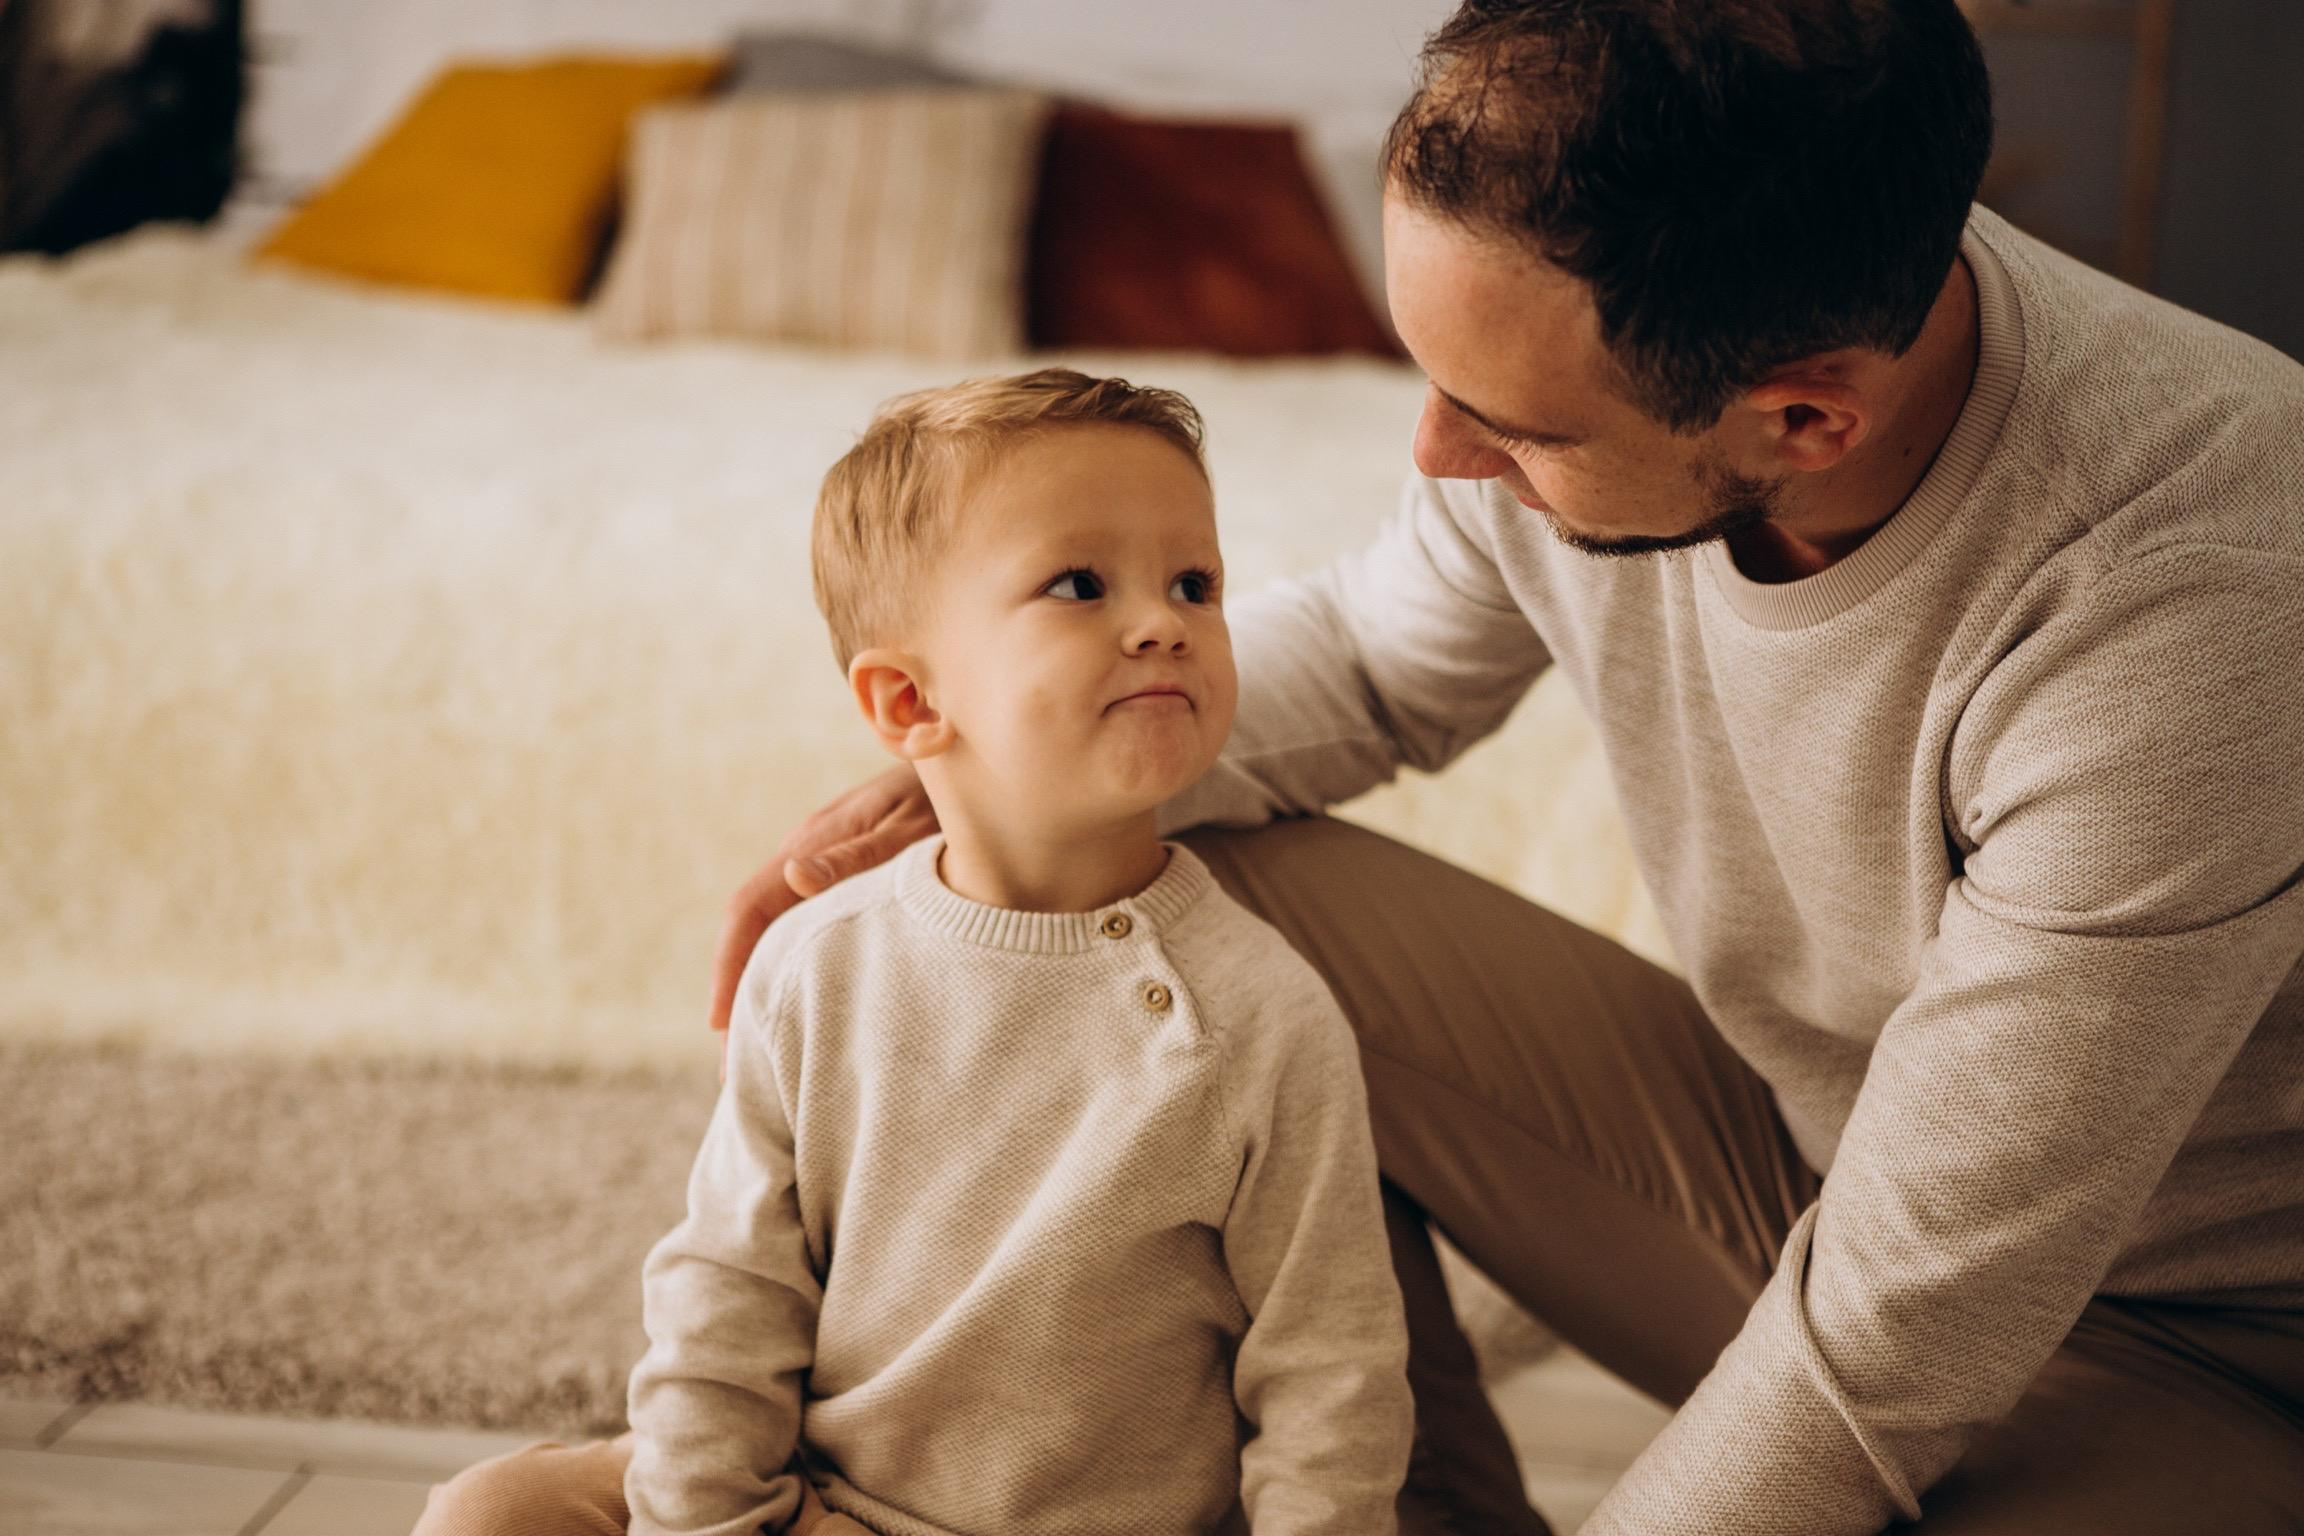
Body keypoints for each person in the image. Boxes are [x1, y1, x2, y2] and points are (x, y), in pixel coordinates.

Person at [715, 4, 2304, 1534]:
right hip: (1809, 1179)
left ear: (1807, 417)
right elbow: (1375, 660)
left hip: (2195, 1347)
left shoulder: (2196, 596)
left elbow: (1906, 1331)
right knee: (1186, 881)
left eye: (1514, 429)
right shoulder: (1663, 296)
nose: (1436, 455)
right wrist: (969, 802)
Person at [410, 369, 1414, 1536]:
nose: (1163, 621)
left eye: (1196, 582)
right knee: (495, 1511)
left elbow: (1328, 1378)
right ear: (906, 704)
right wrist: (704, 1522)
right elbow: (728, 1298)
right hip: (827, 1505)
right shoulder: (818, 969)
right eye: (1081, 585)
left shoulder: (1260, 1015)